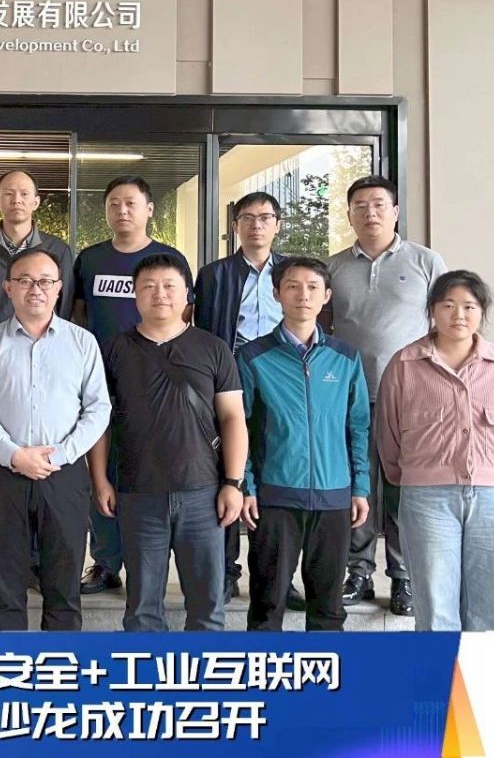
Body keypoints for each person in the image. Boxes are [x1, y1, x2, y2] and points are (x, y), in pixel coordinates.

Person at [94, 253, 247, 631]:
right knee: (142, 609)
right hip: (138, 493)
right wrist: (99, 480)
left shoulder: (213, 348)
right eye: (148, 286)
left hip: (203, 493)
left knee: (207, 608)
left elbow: (232, 418)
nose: (159, 294)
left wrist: (233, 483)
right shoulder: (113, 350)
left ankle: (203, 670)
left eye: (169, 286)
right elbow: (99, 423)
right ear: (135, 295)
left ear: (186, 294)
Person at [0, 247, 111, 631]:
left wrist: (59, 455)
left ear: (59, 288)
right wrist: (14, 454)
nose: (36, 289)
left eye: (45, 281)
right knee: (5, 587)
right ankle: (7, 663)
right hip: (4, 474)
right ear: (8, 288)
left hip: (64, 475)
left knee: (63, 586)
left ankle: (58, 665)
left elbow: (98, 410)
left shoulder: (82, 343)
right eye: (25, 281)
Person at [377, 271, 494, 631]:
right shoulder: (404, 364)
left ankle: (478, 668)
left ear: (482, 312)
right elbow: (388, 434)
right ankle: (438, 669)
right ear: (432, 310)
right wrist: (416, 477)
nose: (458, 315)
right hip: (428, 499)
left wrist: (493, 471)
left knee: (491, 602)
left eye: (469, 306)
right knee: (434, 603)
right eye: (448, 305)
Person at [327, 175, 446, 616]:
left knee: (402, 490)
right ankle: (358, 572)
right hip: (349, 397)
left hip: (409, 398)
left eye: (379, 204)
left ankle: (404, 577)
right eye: (360, 205)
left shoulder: (426, 262)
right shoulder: (333, 267)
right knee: (357, 487)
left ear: (395, 211)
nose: (370, 212)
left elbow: (445, 323)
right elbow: (322, 328)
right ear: (349, 215)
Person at [73, 174, 194, 595]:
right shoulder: (90, 259)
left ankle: (158, 560)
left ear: (149, 210)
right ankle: (106, 562)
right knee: (102, 466)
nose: (122, 211)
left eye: (131, 203)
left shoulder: (169, 258)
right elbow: (78, 315)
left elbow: (185, 316)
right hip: (103, 375)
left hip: (159, 378)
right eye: (114, 204)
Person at [0, 169, 74, 595]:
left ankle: (37, 563)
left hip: (46, 374)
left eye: (25, 193)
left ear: (37, 201)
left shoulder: (59, 251)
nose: (17, 200)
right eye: (9, 193)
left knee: (43, 472)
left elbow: (65, 313)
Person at [238, 257, 370, 631]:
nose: (303, 295)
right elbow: (240, 428)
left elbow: (358, 426)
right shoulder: (253, 357)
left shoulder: (345, 358)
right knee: (267, 603)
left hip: (333, 497)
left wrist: (359, 487)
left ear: (326, 296)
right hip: (275, 497)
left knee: (328, 608)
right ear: (277, 294)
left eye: (313, 287)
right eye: (292, 286)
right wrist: (247, 487)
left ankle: (323, 668)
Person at [192, 192, 295, 607]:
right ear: (235, 226)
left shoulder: (291, 273)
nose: (256, 225)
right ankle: (225, 571)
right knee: (226, 473)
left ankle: (276, 578)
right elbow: (204, 332)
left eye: (265, 217)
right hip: (230, 381)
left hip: (280, 381)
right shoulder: (214, 275)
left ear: (277, 224)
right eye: (247, 218)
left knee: (273, 476)